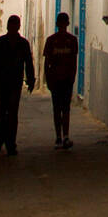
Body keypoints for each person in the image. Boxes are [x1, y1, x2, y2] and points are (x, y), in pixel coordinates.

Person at [0, 15, 34, 155]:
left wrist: (30, 79)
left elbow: (28, 63)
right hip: (1, 84)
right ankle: (0, 138)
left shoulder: (22, 44)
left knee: (11, 113)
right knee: (0, 112)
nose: (13, 27)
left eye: (15, 25)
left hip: (14, 84)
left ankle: (10, 142)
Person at [43, 13, 79, 150]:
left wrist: (72, 77)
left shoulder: (71, 40)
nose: (63, 26)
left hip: (65, 80)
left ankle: (64, 136)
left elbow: (74, 62)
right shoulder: (52, 41)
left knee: (64, 109)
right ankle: (60, 136)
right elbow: (47, 63)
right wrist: (49, 79)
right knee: (58, 109)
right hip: (57, 80)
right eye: (62, 23)